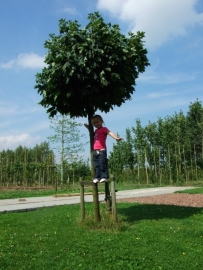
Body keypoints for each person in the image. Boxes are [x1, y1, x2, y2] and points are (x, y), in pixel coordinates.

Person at [84, 115, 123, 183]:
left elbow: (110, 132)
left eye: (97, 122)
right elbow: (92, 135)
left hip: (102, 150)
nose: (96, 124)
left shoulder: (104, 129)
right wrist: (88, 128)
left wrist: (116, 138)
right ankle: (97, 177)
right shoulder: (96, 131)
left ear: (101, 121)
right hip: (95, 151)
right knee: (96, 165)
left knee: (102, 164)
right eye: (94, 123)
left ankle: (104, 176)